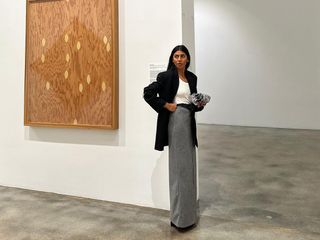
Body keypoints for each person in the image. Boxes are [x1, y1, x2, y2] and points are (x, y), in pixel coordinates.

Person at [143, 45, 205, 231]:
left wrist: (200, 104)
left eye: (182, 56)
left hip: (189, 122)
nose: (179, 59)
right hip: (176, 122)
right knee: (180, 169)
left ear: (187, 59)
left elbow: (192, 101)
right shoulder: (166, 76)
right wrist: (165, 105)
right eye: (176, 56)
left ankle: (189, 215)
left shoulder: (192, 77)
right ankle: (180, 219)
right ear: (172, 59)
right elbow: (148, 93)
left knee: (189, 168)